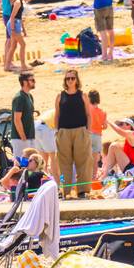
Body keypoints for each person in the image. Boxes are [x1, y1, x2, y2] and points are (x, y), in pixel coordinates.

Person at [53, 69, 94, 199]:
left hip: (80, 131)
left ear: (77, 80)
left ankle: (83, 190)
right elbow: (57, 115)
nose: (70, 81)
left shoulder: (83, 95)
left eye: (72, 78)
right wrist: (57, 131)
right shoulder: (60, 96)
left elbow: (88, 114)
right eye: (67, 78)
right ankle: (66, 191)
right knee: (64, 162)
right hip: (64, 132)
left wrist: (88, 130)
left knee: (84, 161)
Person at [98, 117, 134, 181]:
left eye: (121, 124)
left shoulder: (132, 134)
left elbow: (119, 131)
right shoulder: (129, 141)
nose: (119, 126)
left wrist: (109, 122)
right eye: (118, 125)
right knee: (114, 147)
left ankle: (104, 176)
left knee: (114, 146)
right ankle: (106, 174)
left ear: (129, 126)